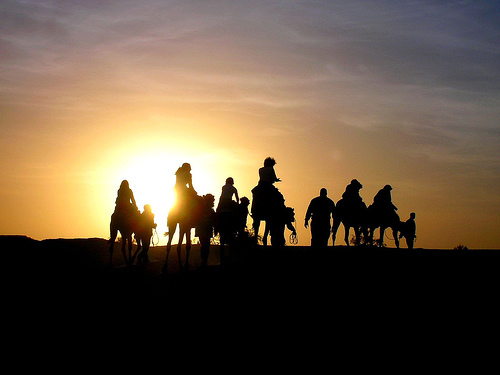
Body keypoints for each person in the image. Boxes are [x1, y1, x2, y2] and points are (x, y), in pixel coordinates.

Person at [195, 194, 218, 270]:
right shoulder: (209, 210)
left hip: (203, 229)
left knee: (204, 245)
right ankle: (204, 260)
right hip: (205, 229)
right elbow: (214, 220)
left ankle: (204, 260)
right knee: (205, 245)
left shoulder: (201, 209)